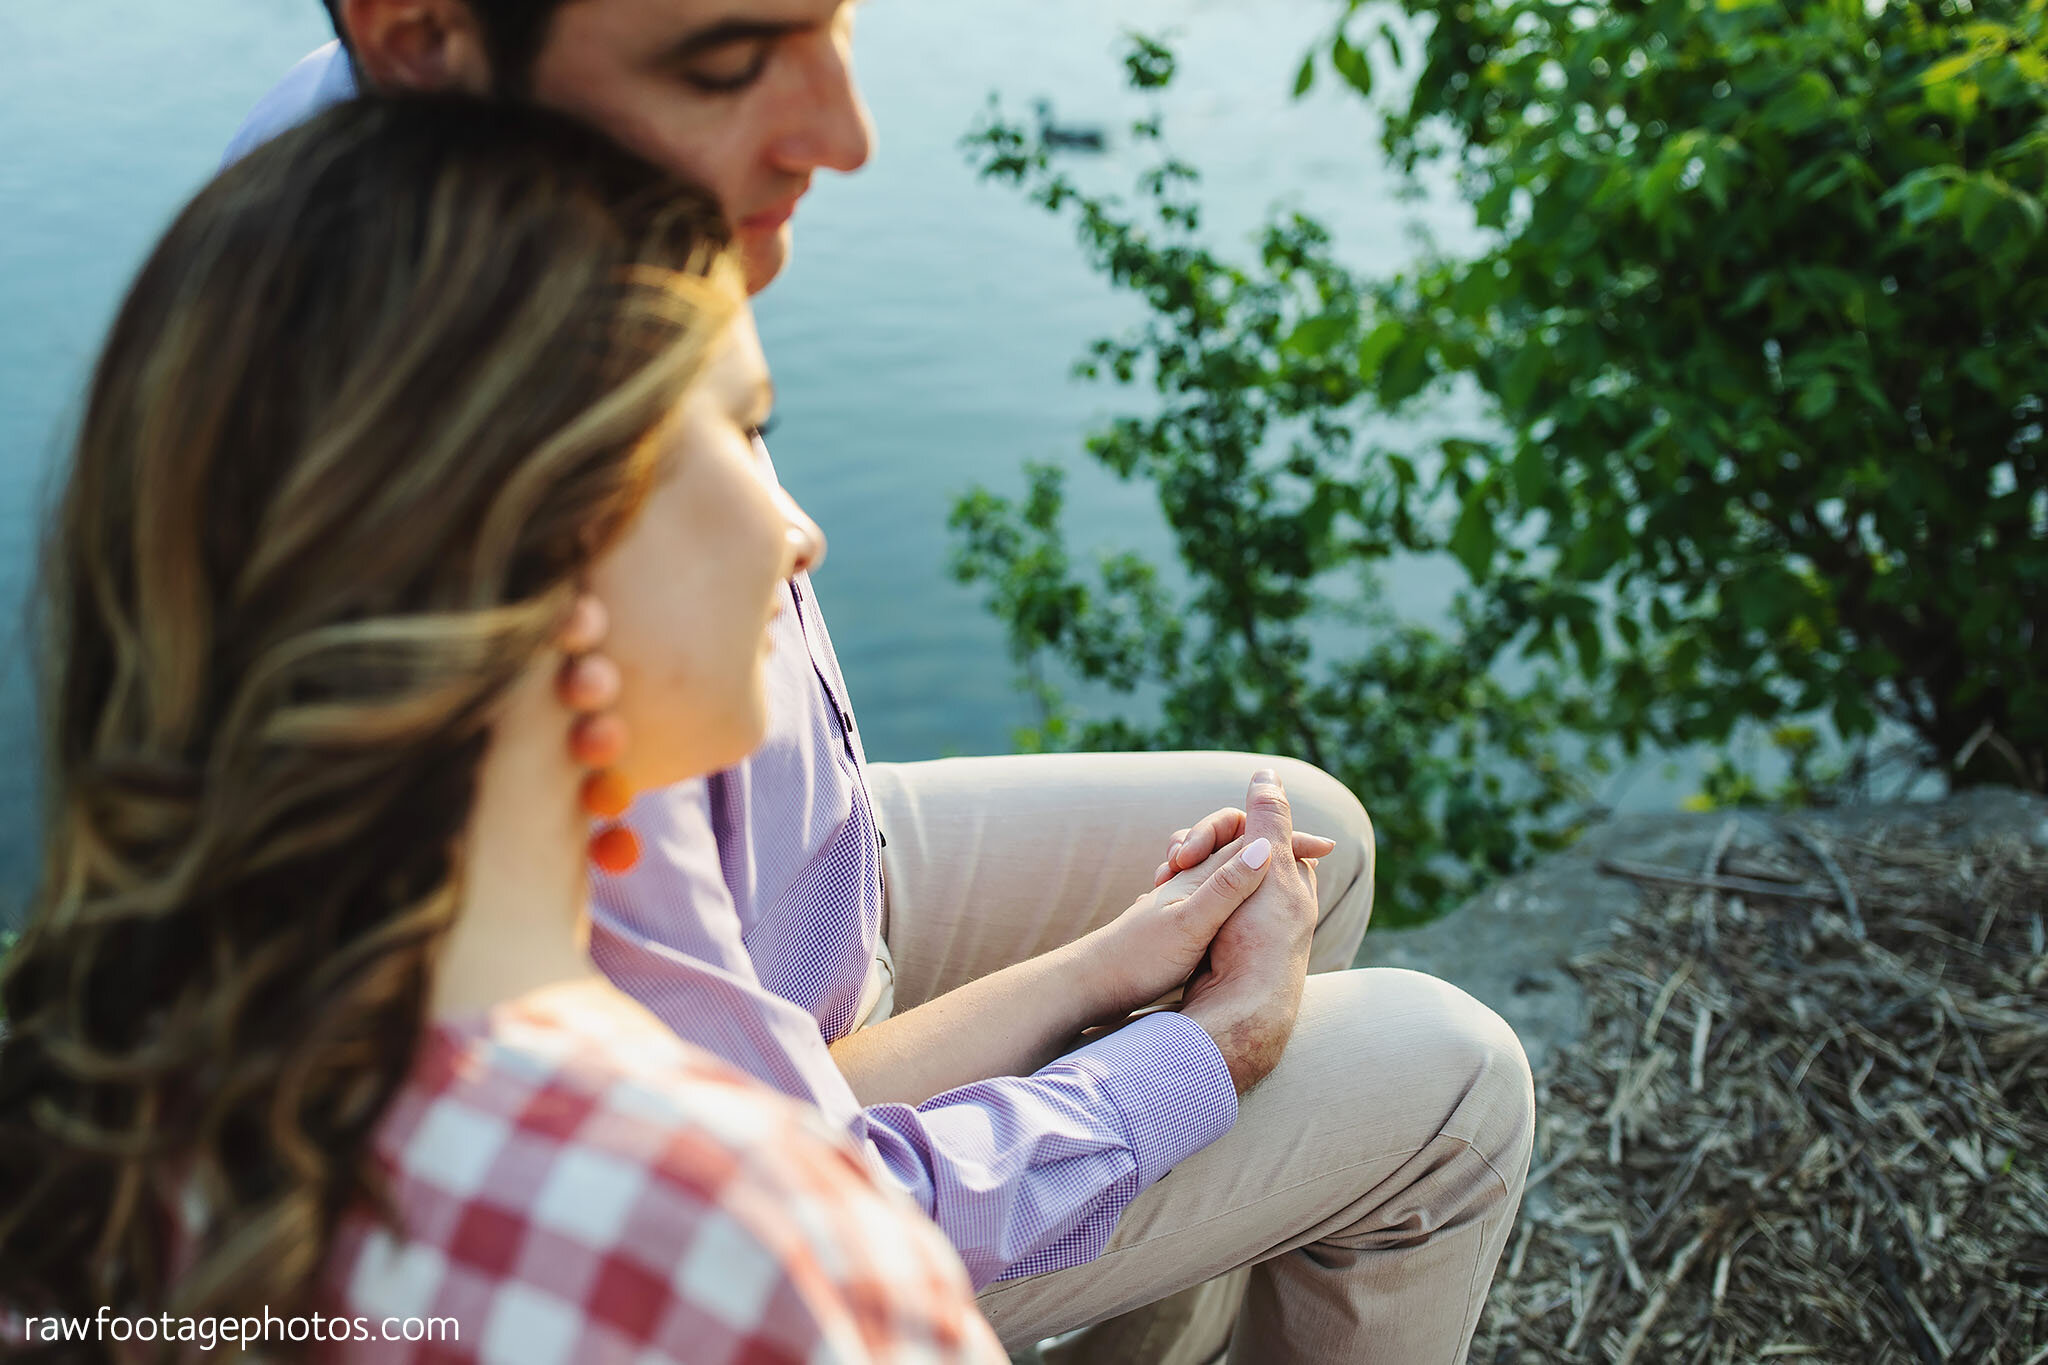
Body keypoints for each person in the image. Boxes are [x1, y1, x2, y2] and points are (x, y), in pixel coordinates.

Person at [226, 3, 1538, 1360]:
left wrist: (1101, 977)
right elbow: (783, 1182)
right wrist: (1183, 1065)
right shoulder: (431, 385)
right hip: (782, 1075)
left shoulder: (487, 179)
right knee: (1452, 1080)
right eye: (730, 57)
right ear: (424, 34)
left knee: (1300, 849)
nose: (847, 136)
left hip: (798, 898)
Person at [0, 95, 1022, 1363]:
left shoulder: (73, 1100)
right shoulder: (760, 1259)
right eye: (747, 431)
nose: (795, 532)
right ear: (551, 539)